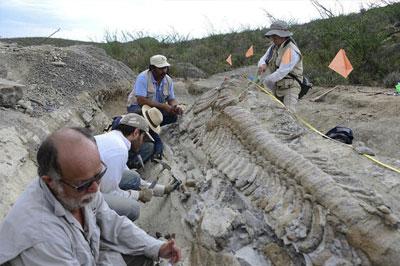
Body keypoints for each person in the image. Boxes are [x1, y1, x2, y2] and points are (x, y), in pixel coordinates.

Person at [0, 127, 181, 265]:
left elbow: (113, 223)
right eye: (85, 183)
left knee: (144, 253)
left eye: (98, 175)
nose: (96, 189)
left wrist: (156, 247)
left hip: (87, 254)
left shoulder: (77, 190)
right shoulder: (42, 238)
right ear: (50, 181)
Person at [95, 113, 174, 221]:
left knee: (133, 177)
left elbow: (136, 180)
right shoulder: (119, 150)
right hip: (83, 197)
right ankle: (104, 231)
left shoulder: (113, 138)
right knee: (133, 209)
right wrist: (138, 195)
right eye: (143, 138)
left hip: (90, 183)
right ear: (136, 133)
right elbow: (109, 193)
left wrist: (162, 190)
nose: (142, 143)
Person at [127, 54, 183, 159]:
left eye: (165, 68)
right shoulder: (143, 77)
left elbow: (171, 99)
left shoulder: (168, 80)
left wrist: (175, 107)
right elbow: (141, 100)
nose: (164, 71)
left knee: (173, 116)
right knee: (141, 117)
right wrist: (164, 106)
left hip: (155, 110)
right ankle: (157, 143)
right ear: (152, 68)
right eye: (160, 68)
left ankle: (148, 128)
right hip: (137, 107)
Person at [258, 20, 304, 112]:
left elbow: (281, 72)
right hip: (277, 87)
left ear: (283, 35)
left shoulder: (290, 50)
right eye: (272, 36)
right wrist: (262, 64)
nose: (273, 39)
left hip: (290, 88)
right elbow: (263, 59)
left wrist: (265, 82)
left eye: (275, 36)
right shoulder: (273, 47)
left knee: (289, 113)